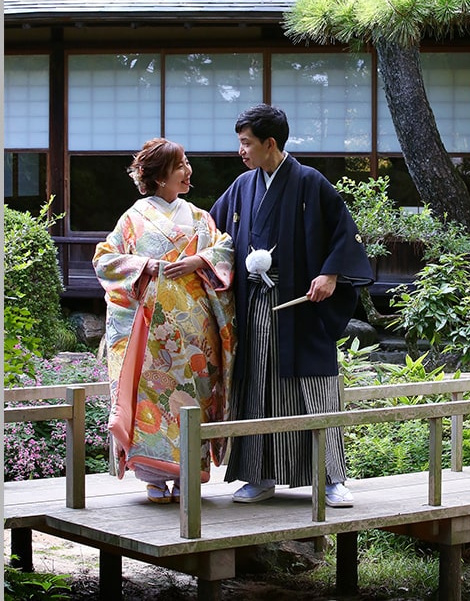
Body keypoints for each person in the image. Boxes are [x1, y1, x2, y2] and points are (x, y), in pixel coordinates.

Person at [209, 104, 374, 508]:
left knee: (314, 387)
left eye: (247, 144)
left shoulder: (309, 182)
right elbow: (211, 232)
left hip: (300, 306)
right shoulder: (243, 186)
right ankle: (259, 474)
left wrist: (331, 274)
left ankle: (331, 477)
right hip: (252, 306)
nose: (241, 151)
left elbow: (343, 233)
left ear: (270, 143)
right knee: (256, 388)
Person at [93, 138, 236, 503]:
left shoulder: (201, 218)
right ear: (159, 177)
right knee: (153, 402)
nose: (188, 171)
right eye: (180, 165)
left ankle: (188, 475)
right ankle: (154, 477)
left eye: (187, 163)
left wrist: (199, 261)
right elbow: (104, 260)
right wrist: (145, 266)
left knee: (193, 400)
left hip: (195, 331)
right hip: (152, 333)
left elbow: (224, 250)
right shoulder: (132, 220)